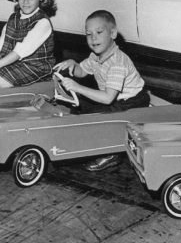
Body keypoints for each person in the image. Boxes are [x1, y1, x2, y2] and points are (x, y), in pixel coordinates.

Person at [54, 10, 148, 171]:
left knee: (100, 115)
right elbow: (82, 71)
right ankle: (80, 136)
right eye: (88, 34)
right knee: (81, 105)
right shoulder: (96, 56)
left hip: (132, 101)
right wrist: (72, 64)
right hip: (114, 97)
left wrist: (77, 87)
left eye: (99, 32)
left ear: (113, 33)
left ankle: (111, 153)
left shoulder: (118, 62)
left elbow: (107, 99)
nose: (93, 38)